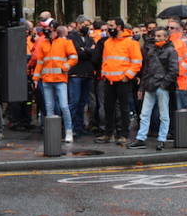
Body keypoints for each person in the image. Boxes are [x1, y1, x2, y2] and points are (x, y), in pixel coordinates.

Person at [94, 17, 142, 145]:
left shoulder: (131, 42)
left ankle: (123, 134)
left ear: (119, 27)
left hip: (123, 81)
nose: (109, 28)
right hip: (109, 80)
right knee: (108, 108)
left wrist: (127, 76)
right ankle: (108, 133)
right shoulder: (108, 42)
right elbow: (105, 60)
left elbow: (137, 62)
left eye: (111, 25)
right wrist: (104, 74)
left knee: (124, 108)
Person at [129, 28, 178, 151]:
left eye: (159, 36)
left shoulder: (170, 51)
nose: (156, 38)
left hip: (158, 86)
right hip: (153, 85)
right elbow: (146, 70)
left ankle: (160, 139)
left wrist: (163, 85)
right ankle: (143, 138)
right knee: (145, 114)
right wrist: (142, 87)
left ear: (166, 38)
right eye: (156, 35)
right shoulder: (153, 50)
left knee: (162, 114)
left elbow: (174, 70)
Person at [33, 24, 78, 142]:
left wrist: (66, 66)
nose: (49, 33)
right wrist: (36, 78)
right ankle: (52, 133)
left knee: (64, 106)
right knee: (49, 108)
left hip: (60, 79)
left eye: (51, 31)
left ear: (56, 32)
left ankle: (69, 131)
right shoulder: (44, 44)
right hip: (47, 80)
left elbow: (74, 57)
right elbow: (40, 62)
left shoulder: (65, 43)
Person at [67, 17, 95, 138]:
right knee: (74, 101)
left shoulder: (90, 38)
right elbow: (78, 53)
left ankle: (80, 126)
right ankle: (71, 127)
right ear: (78, 24)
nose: (86, 26)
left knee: (83, 102)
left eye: (88, 24)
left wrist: (85, 50)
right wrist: (88, 51)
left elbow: (94, 53)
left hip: (88, 73)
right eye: (84, 24)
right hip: (76, 74)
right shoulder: (71, 37)